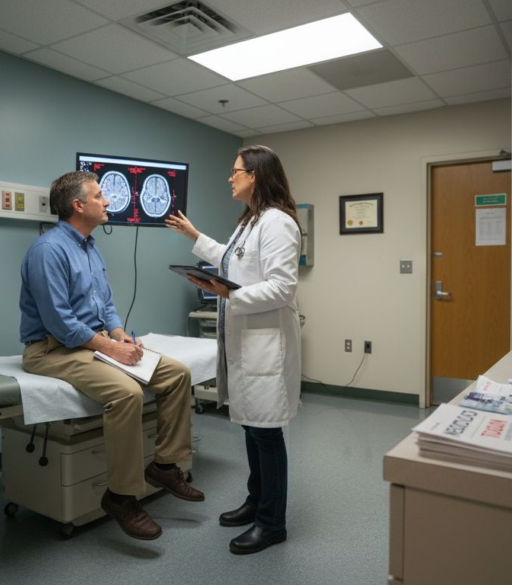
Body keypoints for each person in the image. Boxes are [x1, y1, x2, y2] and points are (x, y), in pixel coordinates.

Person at [20, 170, 203, 541]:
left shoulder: (90, 248)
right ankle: (120, 496)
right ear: (78, 205)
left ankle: (165, 465)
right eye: (99, 196)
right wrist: (110, 347)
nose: (107, 202)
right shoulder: (48, 250)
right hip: (52, 349)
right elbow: (60, 322)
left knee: (177, 374)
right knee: (126, 393)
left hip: (92, 341)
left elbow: (105, 305)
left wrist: (121, 337)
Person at [165, 145, 302, 555]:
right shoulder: (251, 221)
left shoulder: (278, 223)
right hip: (245, 342)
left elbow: (282, 287)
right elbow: (231, 260)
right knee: (250, 427)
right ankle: (256, 501)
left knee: (266, 433)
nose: (230, 177)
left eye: (235, 171)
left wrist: (229, 293)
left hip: (266, 345)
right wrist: (194, 237)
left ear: (255, 175)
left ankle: (272, 523)